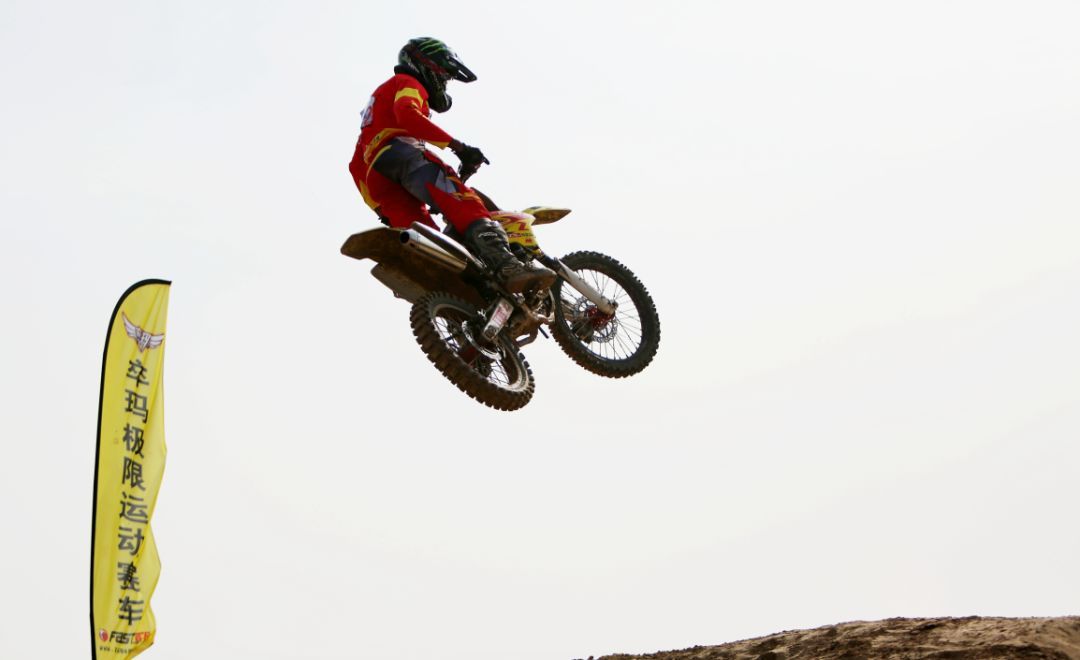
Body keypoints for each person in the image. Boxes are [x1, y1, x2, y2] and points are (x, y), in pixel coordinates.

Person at [348, 37, 555, 294]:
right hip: (403, 155)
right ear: (429, 66)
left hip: (378, 177)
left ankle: (464, 297)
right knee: (465, 203)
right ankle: (507, 266)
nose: (444, 83)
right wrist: (459, 148)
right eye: (445, 77)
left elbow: (355, 166)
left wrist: (381, 208)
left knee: (430, 244)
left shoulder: (377, 105)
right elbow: (407, 113)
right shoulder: (408, 82)